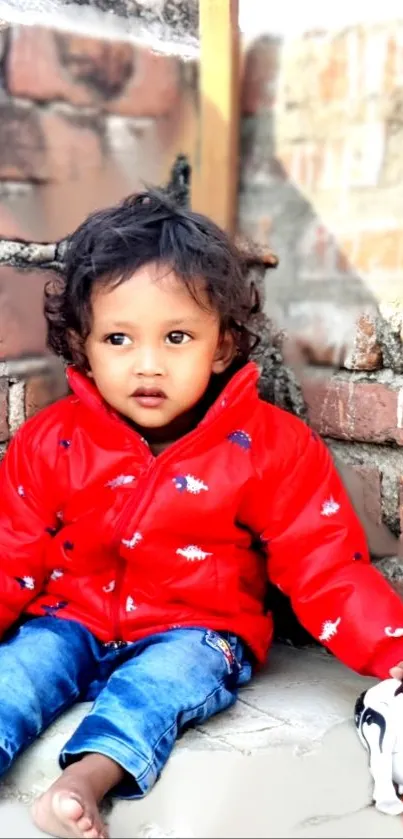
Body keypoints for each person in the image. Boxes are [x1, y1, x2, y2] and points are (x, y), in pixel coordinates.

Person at [1, 189, 403, 839]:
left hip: (197, 629)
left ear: (221, 346)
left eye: (177, 336)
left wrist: (394, 648)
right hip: (69, 616)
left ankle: (84, 782)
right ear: (81, 343)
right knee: (14, 672)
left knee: (162, 683)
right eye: (119, 338)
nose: (148, 363)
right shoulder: (52, 441)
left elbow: (325, 564)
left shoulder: (269, 445)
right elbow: (8, 551)